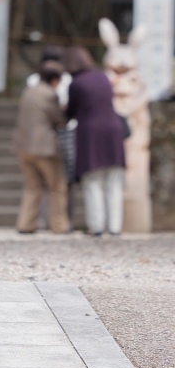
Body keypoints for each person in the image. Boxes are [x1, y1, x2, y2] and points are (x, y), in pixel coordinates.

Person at [64, 47, 127, 236]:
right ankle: (115, 227)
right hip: (114, 129)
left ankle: (97, 226)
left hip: (90, 132)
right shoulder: (103, 78)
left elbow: (70, 112)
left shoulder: (76, 84)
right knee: (114, 180)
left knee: (92, 180)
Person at [14, 60, 69, 234]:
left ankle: (26, 224)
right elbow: (59, 119)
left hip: (23, 146)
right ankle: (59, 225)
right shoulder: (49, 95)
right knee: (57, 186)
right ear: (54, 79)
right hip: (44, 149)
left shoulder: (28, 92)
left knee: (32, 186)